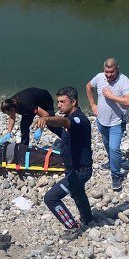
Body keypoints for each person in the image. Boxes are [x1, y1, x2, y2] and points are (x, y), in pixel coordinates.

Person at [35, 86, 93, 240]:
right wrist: (43, 117)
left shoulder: (78, 119)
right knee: (77, 193)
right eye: (58, 102)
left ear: (73, 102)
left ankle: (72, 227)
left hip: (80, 171)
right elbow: (61, 128)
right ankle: (88, 218)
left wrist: (47, 119)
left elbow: (65, 122)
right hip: (72, 170)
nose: (59, 105)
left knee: (51, 198)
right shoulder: (69, 120)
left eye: (62, 102)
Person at [86, 58, 129, 191]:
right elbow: (88, 87)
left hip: (117, 122)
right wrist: (93, 105)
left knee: (114, 148)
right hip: (101, 120)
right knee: (107, 144)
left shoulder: (124, 81)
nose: (108, 75)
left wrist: (111, 96)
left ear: (117, 69)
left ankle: (116, 175)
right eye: (106, 72)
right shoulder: (99, 77)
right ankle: (112, 161)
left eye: (111, 72)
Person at [0, 127, 64, 172]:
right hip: (20, 157)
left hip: (21, 147)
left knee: (47, 153)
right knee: (47, 159)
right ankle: (68, 164)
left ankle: (67, 156)